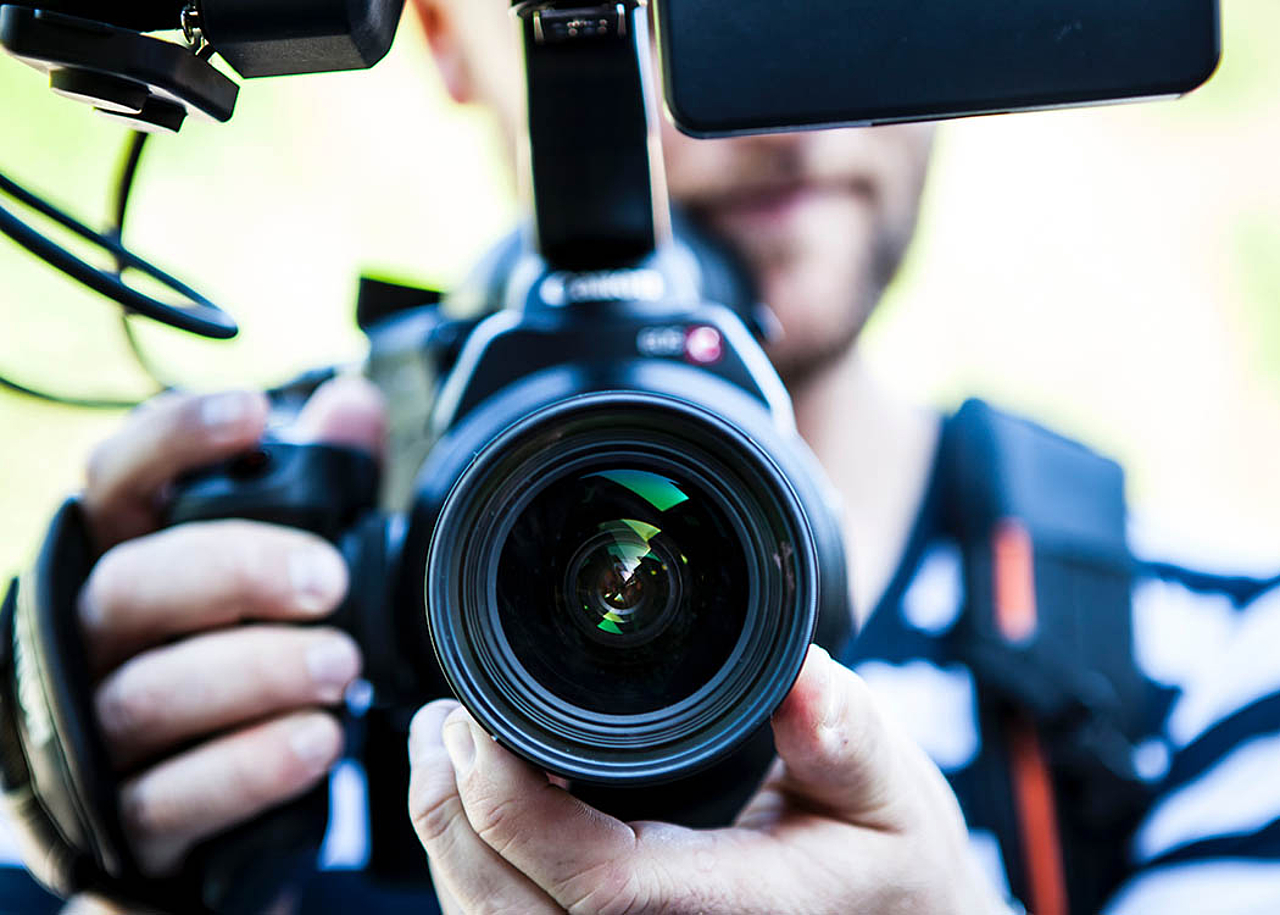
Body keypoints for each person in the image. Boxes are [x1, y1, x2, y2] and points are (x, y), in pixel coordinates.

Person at [5, 0, 1279, 912]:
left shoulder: (1218, 657)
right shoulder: (226, 622)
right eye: (677, 11)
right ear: (443, 30)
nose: (793, 123)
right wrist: (90, 841)